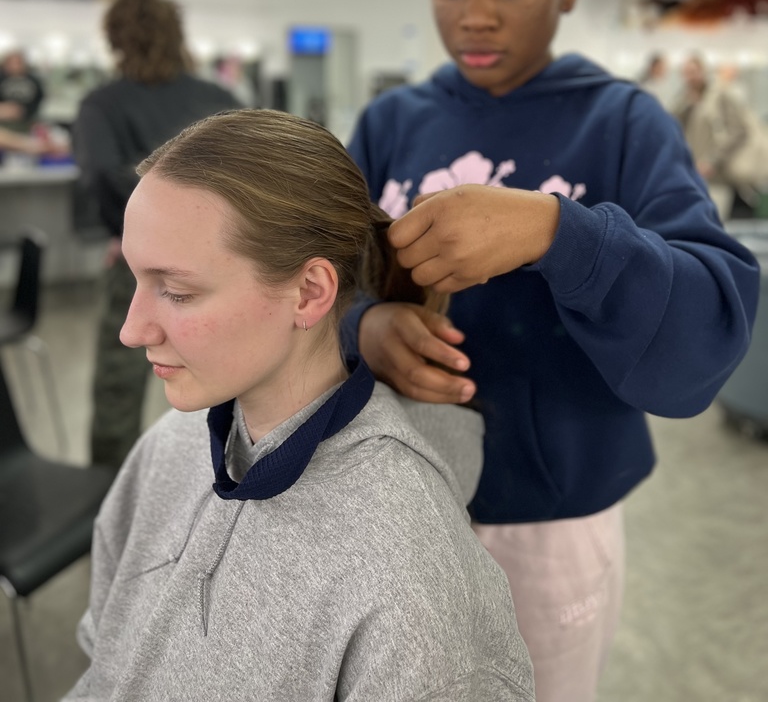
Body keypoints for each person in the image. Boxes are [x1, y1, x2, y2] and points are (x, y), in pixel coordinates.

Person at [342, 0, 760, 702]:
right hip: (391, 495)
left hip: (547, 521)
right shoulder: (389, 124)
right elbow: (316, 282)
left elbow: (707, 327)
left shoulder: (621, 123)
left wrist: (557, 232)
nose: (477, 14)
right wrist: (365, 327)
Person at [63, 108, 535, 702]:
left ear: (309, 292)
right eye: (135, 280)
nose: (132, 330)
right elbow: (104, 667)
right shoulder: (166, 448)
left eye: (177, 292)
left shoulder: (408, 572)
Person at [72, 0, 241, 468]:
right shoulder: (218, 98)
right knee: (225, 376)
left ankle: (110, 489)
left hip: (139, 267)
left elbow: (102, 176)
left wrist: (128, 236)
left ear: (115, 39)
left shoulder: (101, 105)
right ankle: (222, 478)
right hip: (222, 262)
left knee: (119, 386)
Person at [671, 53, 759, 220]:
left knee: (716, 221)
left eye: (693, 71)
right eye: (686, 73)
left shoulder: (720, 95)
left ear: (703, 71)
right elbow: (674, 125)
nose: (690, 77)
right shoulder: (684, 100)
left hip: (717, 175)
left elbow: (739, 130)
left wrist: (712, 161)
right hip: (692, 174)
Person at [0, 48, 45, 128]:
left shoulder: (34, 81)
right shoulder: (2, 79)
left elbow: (39, 99)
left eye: (18, 63)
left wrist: (24, 111)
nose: (15, 66)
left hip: (26, 122)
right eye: (12, 63)